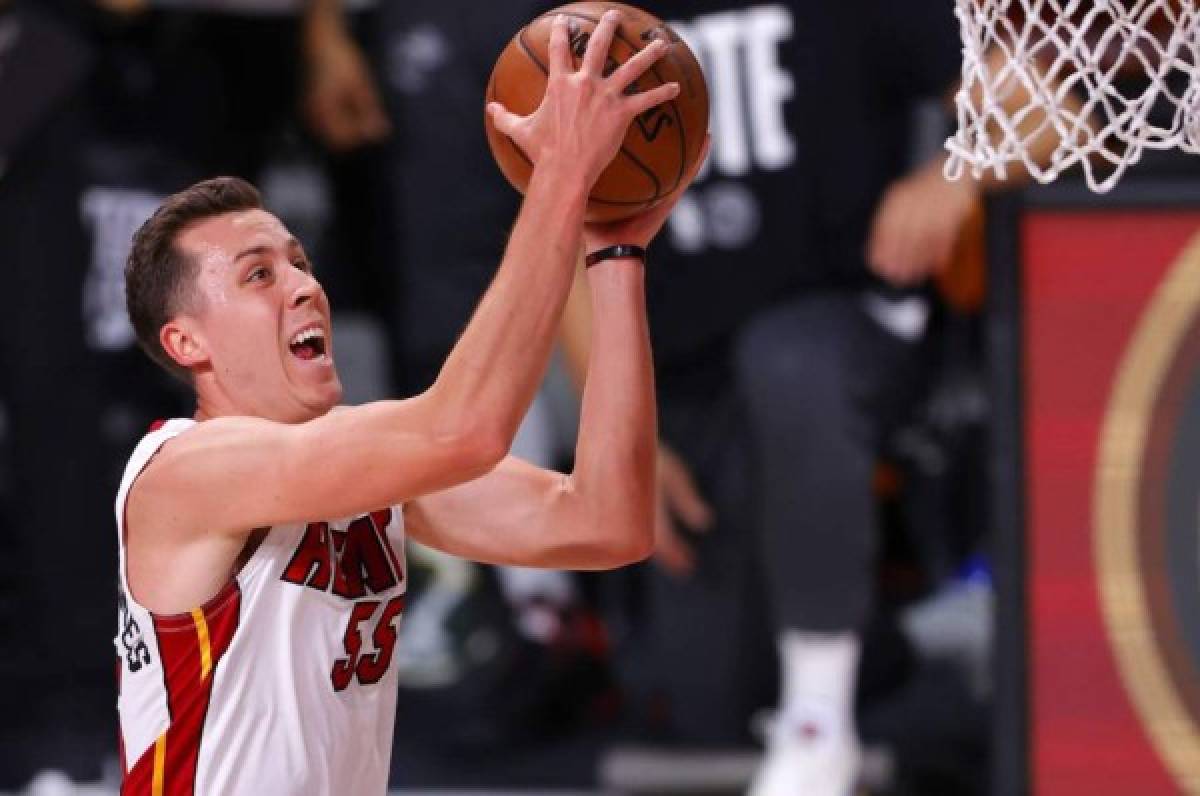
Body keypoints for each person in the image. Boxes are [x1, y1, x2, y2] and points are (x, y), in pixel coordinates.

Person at [113, 13, 701, 791]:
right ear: (187, 342)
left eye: (299, 262)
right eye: (259, 275)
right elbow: (464, 429)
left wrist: (615, 252)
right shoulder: (184, 472)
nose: (304, 287)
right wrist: (561, 175)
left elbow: (606, 523)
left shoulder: (366, 476)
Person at [559, 2, 1070, 794]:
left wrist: (957, 171)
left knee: (789, 362)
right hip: (692, 386)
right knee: (710, 703)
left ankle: (816, 725)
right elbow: (561, 240)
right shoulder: (586, 26)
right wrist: (619, 438)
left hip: (852, 333)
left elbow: (1054, 118)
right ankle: (884, 650)